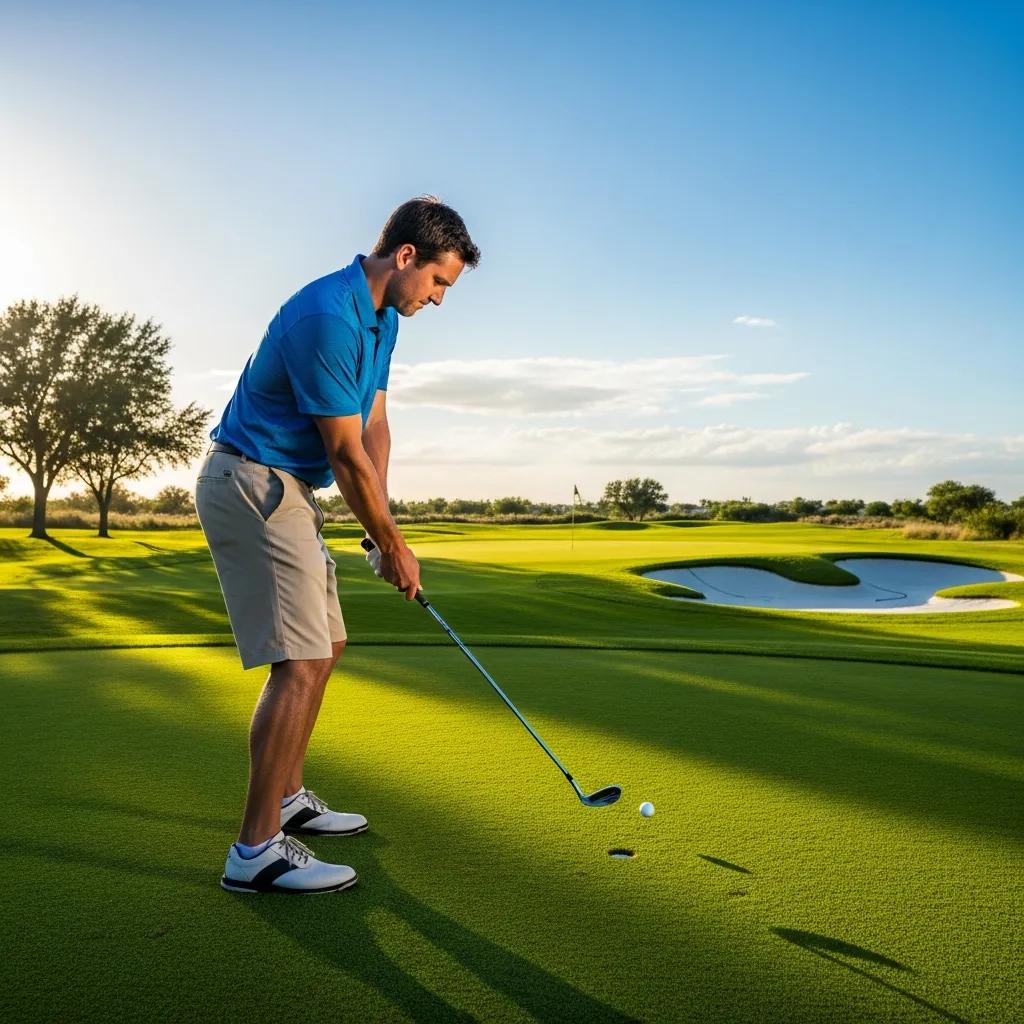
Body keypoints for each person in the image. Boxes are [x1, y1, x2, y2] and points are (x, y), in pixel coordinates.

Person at [194, 196, 480, 894]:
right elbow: (344, 453)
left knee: (329, 644)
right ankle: (255, 849)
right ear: (406, 257)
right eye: (439, 282)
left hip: (288, 488)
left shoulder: (383, 318)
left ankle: (287, 797)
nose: (440, 299)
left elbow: (375, 427)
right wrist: (391, 541)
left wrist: (382, 530)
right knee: (302, 658)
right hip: (253, 481)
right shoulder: (328, 315)